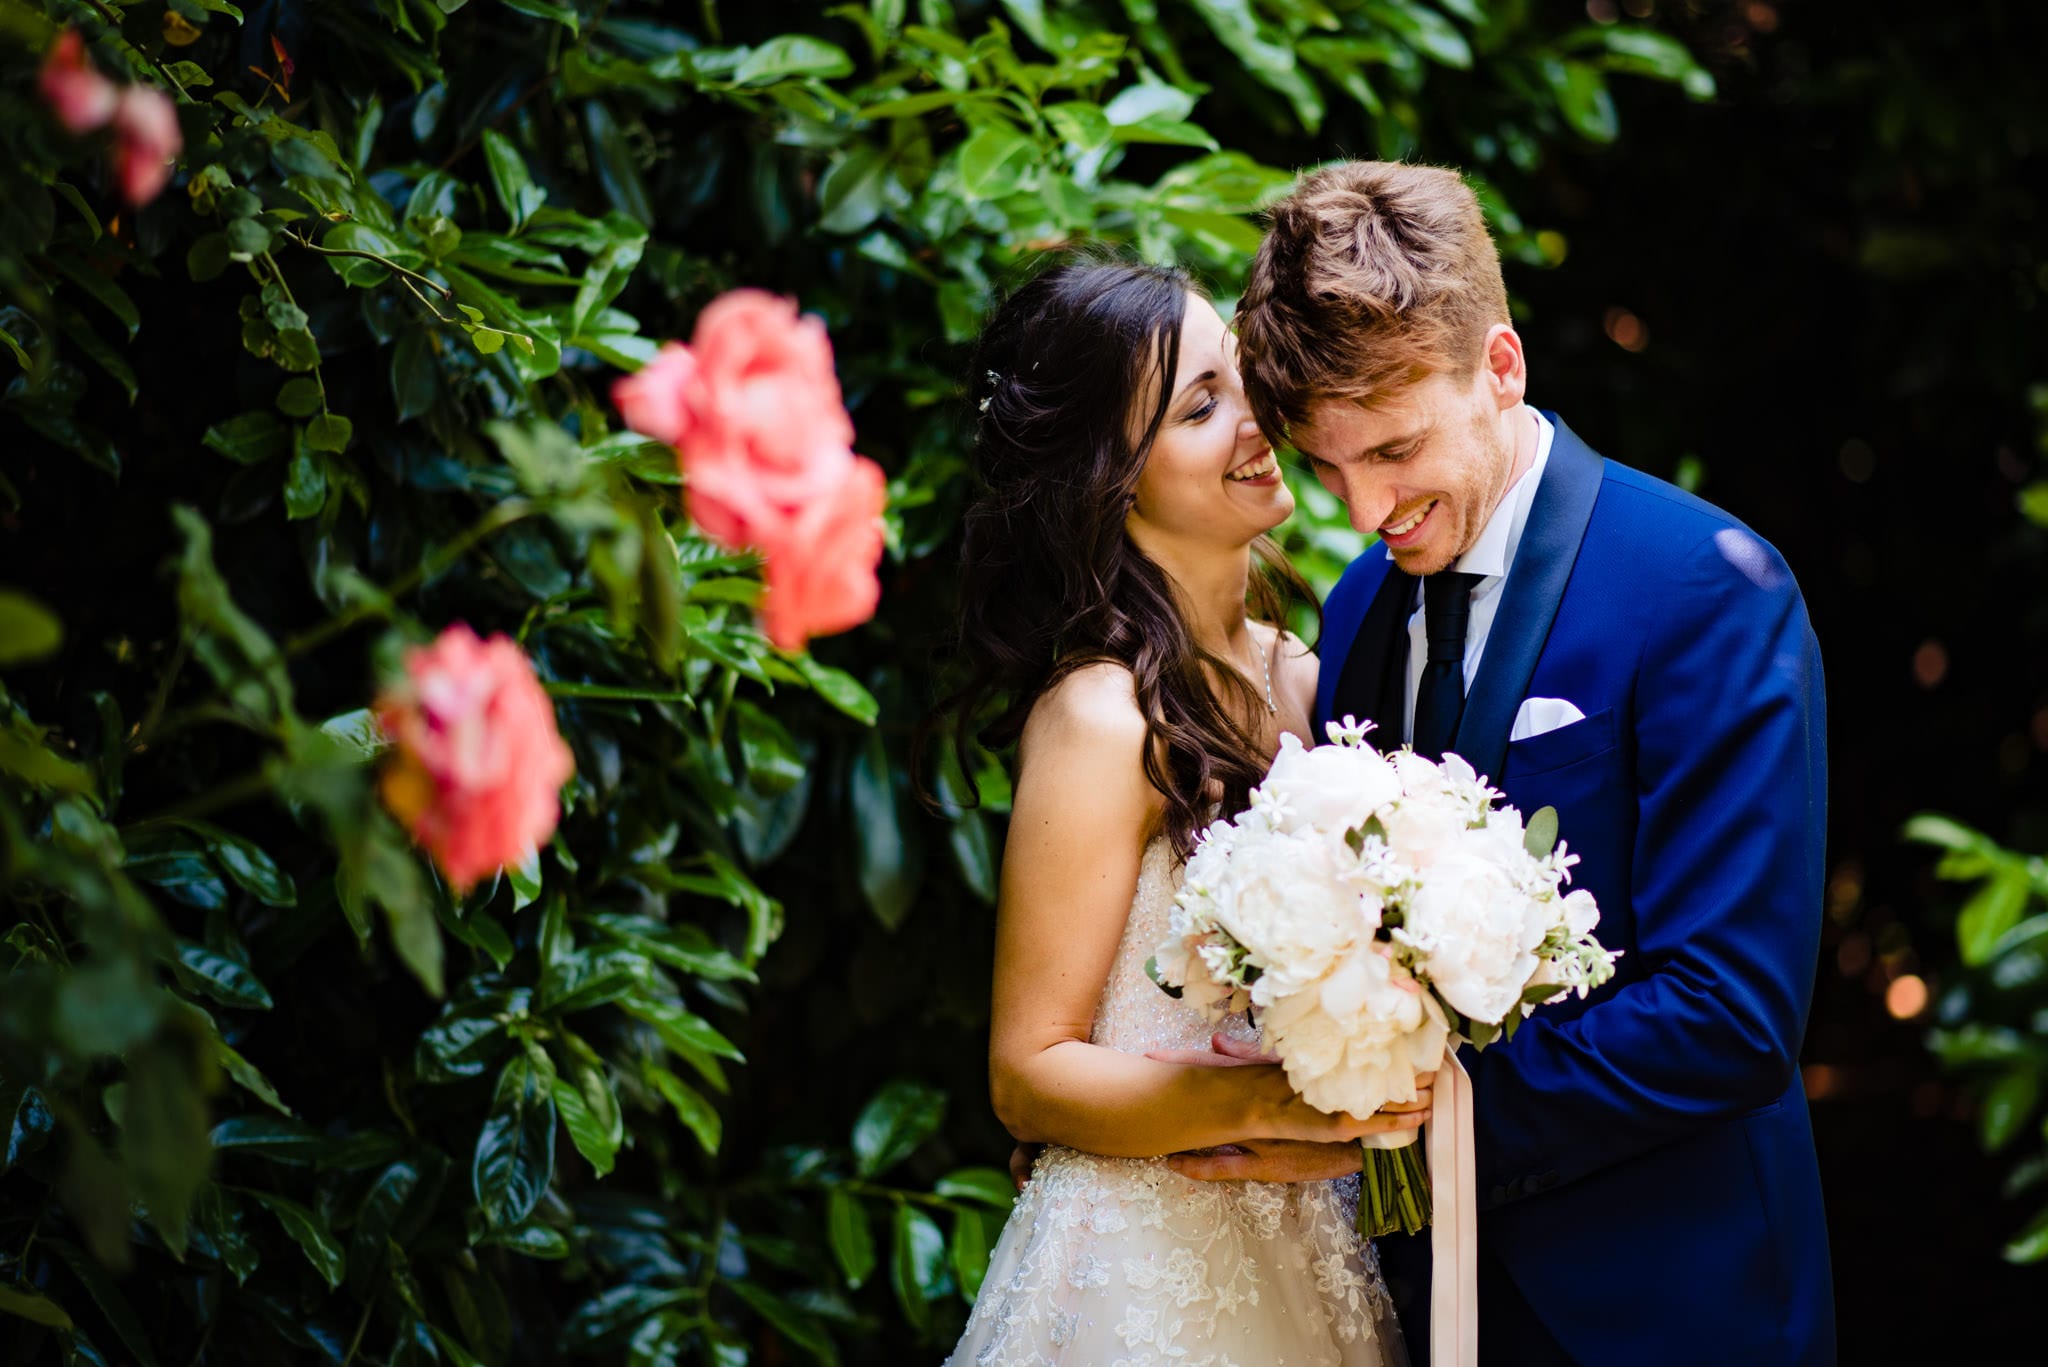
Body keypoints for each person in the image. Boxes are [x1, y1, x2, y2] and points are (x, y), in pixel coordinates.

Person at [1151, 161, 1835, 1366]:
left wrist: (1402, 1120)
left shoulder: (1703, 589)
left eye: (1396, 448)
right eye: (1325, 465)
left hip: (1668, 1308)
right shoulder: (1363, 605)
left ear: (1500, 367)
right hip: (1426, 1308)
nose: (1365, 507)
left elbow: (1730, 1011)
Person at [934, 257, 1422, 1366]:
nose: (1258, 419)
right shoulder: (1099, 716)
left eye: (1241, 379)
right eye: (1202, 406)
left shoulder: (1310, 673)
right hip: (1147, 1273)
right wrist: (1272, 1111)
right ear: (1114, 479)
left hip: (1314, 1254)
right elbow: (1027, 1070)